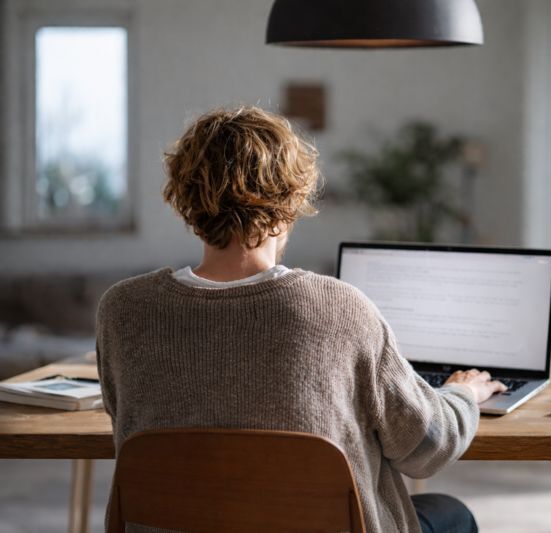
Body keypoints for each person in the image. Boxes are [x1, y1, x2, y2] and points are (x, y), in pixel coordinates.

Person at [96, 106, 507, 533]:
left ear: (186, 197)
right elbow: (425, 448)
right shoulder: (341, 309)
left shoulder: (122, 310)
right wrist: (461, 395)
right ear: (291, 199)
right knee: (452, 515)